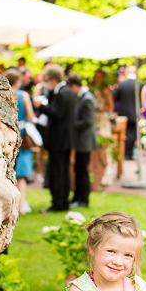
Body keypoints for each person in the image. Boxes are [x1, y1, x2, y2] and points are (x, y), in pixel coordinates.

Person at [36, 63, 75, 212]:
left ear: (52, 78)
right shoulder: (66, 92)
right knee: (62, 171)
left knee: (57, 172)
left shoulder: (62, 93)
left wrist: (41, 107)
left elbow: (57, 113)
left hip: (59, 140)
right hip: (64, 139)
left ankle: (58, 202)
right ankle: (62, 201)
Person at [4, 68, 35, 214]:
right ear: (18, 81)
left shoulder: (3, 94)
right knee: (21, 173)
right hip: (21, 133)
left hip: (6, 133)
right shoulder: (23, 96)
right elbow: (30, 116)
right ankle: (20, 207)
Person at [67, 73, 98, 208]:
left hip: (85, 141)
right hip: (81, 141)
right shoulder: (82, 97)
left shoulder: (87, 99)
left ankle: (83, 199)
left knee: (83, 170)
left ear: (74, 86)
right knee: (79, 169)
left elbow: (88, 121)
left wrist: (71, 124)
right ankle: (77, 197)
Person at [90, 68, 115, 188]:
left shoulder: (106, 91)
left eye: (99, 77)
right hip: (95, 120)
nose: (97, 79)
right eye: (96, 77)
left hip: (103, 121)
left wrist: (101, 108)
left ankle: (107, 174)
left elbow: (110, 106)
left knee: (105, 148)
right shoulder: (93, 90)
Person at [113, 66, 142, 160]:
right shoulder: (140, 84)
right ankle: (129, 153)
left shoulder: (121, 84)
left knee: (124, 133)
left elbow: (116, 99)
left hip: (123, 112)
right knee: (133, 133)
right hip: (134, 112)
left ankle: (124, 152)